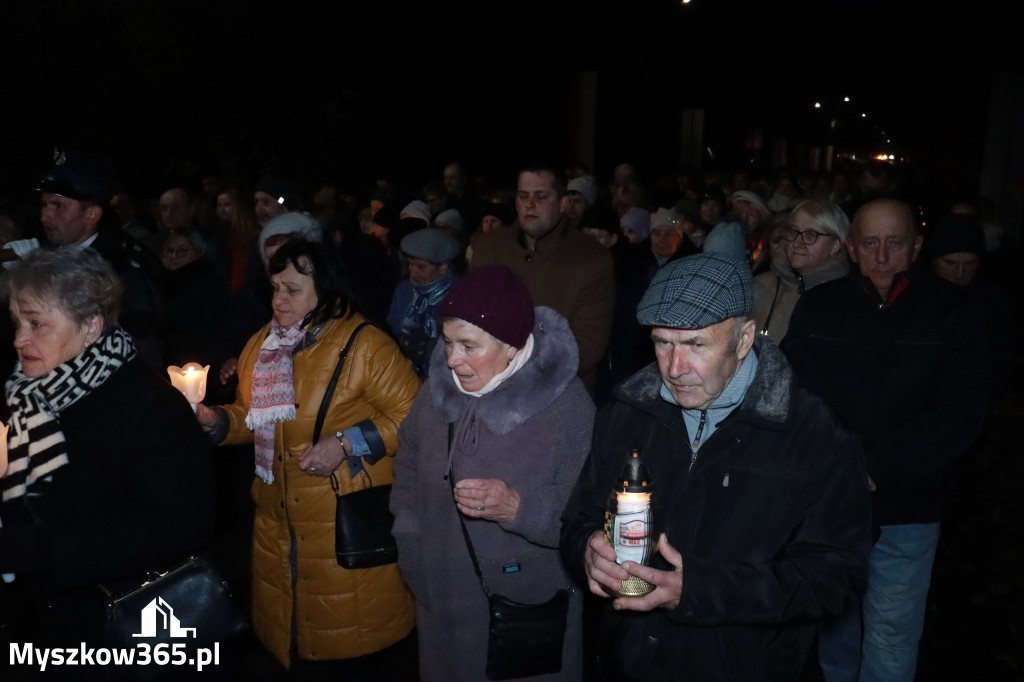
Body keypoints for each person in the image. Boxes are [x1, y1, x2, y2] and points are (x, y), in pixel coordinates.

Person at [560, 253, 871, 681]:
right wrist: (587, 552)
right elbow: (580, 518)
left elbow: (835, 578)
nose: (674, 367)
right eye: (662, 342)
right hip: (629, 662)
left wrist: (701, 591)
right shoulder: (625, 414)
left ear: (744, 339)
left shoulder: (814, 435)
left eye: (696, 344)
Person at [782, 198, 992, 682]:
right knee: (834, 632)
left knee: (891, 636)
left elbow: (959, 414)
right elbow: (793, 394)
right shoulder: (820, 308)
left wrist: (877, 467)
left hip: (908, 506)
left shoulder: (954, 313)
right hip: (830, 506)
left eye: (894, 243)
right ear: (852, 248)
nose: (881, 256)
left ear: (916, 247)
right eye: (870, 243)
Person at [195, 239, 420, 673]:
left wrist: (346, 443)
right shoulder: (264, 344)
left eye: (292, 289)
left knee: (349, 654)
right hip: (278, 534)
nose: (278, 299)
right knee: (294, 649)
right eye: (275, 287)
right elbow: (257, 418)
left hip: (342, 533)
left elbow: (416, 416)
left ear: (326, 290)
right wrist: (220, 423)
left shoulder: (364, 345)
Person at [0, 248, 213, 656]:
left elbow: (182, 524)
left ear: (91, 327)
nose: (18, 339)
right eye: (16, 322)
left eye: (36, 324)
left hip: (116, 628)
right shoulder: (27, 397)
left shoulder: (150, 406)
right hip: (36, 626)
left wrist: (42, 548)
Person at [391, 264, 594, 681]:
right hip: (440, 603)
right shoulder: (435, 394)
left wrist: (519, 508)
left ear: (511, 344)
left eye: (469, 345)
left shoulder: (565, 407)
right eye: (447, 342)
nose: (452, 360)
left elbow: (590, 514)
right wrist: (410, 546)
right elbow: (407, 466)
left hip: (522, 611)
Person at [469, 164, 615, 394]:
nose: (530, 205)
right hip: (488, 388)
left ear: (562, 203)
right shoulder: (488, 248)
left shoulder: (592, 259)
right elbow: (469, 318)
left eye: (541, 197)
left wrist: (524, 379)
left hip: (558, 395)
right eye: (523, 196)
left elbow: (588, 343)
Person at [752, 199, 850, 340]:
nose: (797, 243)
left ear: (835, 246)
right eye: (793, 232)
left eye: (811, 235)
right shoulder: (761, 285)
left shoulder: (847, 301)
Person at [386, 227, 461, 377]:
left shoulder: (460, 294)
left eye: (421, 267)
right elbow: (391, 331)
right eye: (410, 264)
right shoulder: (404, 291)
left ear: (443, 267)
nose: (412, 273)